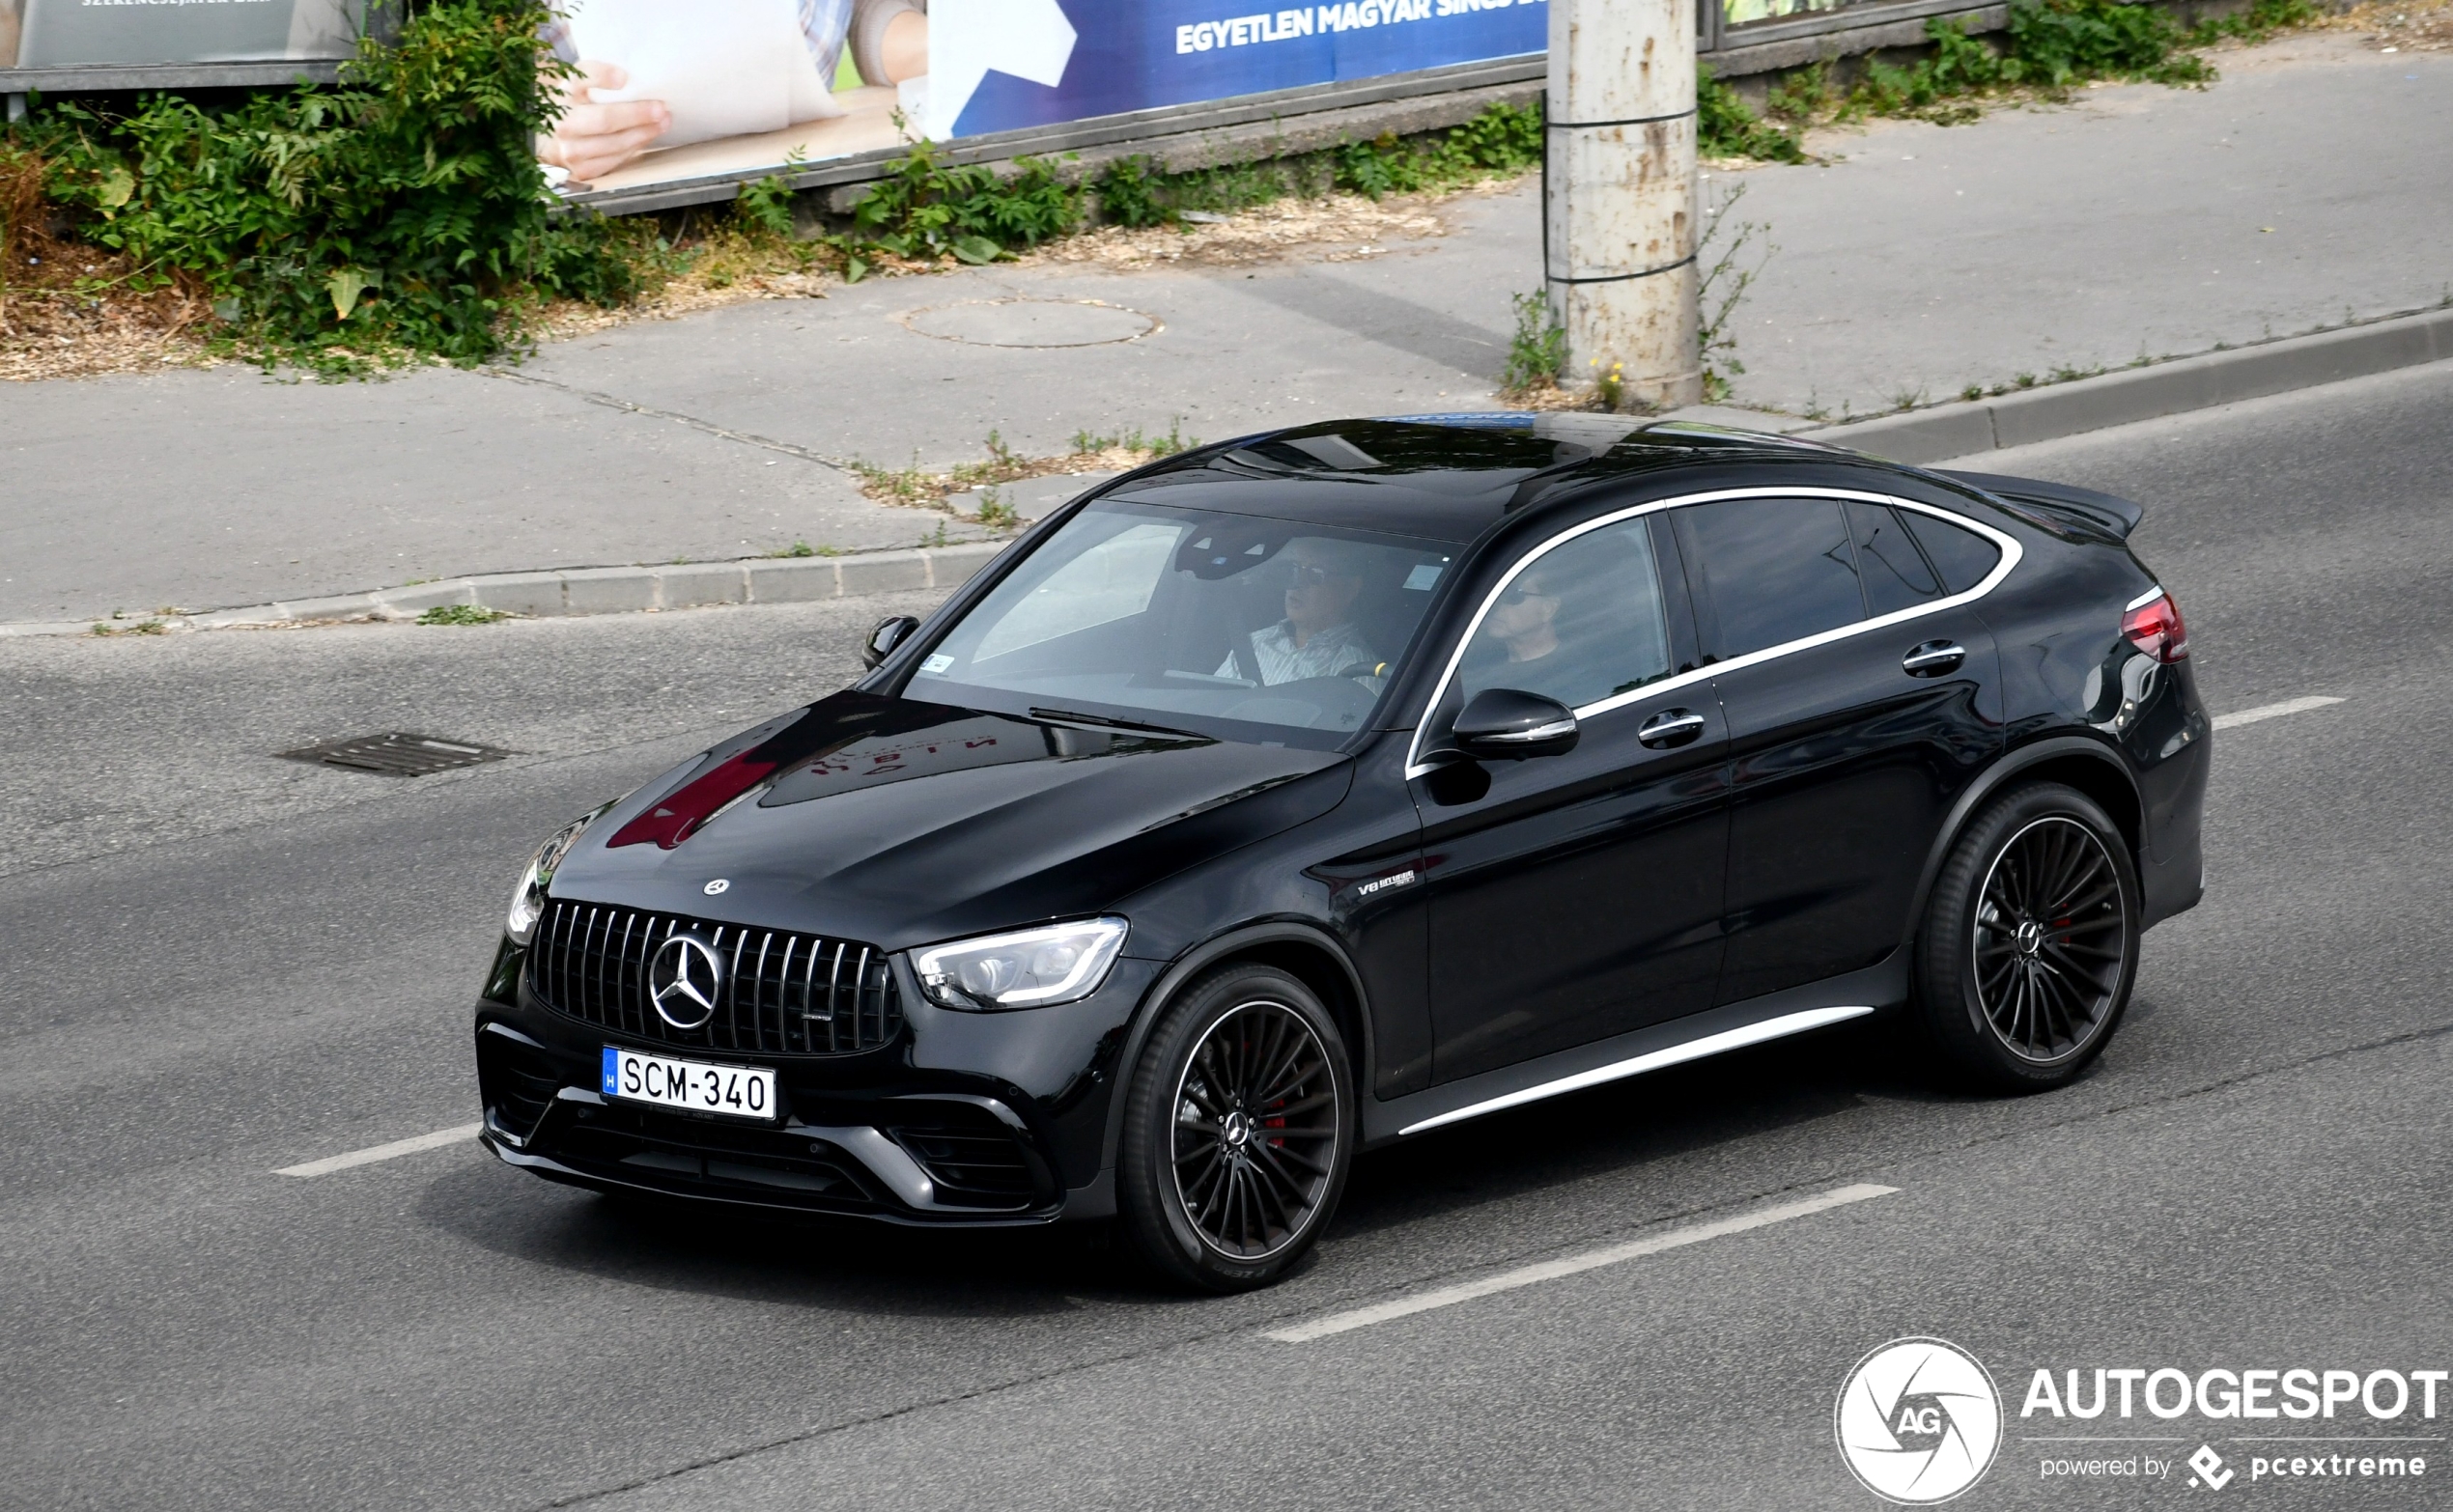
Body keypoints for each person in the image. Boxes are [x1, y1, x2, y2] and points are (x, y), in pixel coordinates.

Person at [540, 0, 927, 185]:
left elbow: (874, 17)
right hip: (622, 204)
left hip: (802, 180)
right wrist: (534, 120)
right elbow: (500, 56)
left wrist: (952, 42)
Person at [1220, 539, 1381, 686]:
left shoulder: (1359, 671)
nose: (1297, 583)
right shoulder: (1253, 643)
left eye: (1316, 574)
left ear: (1350, 589)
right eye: (1294, 570)